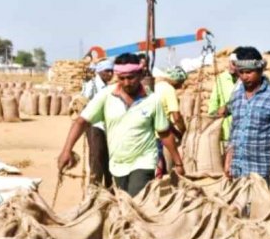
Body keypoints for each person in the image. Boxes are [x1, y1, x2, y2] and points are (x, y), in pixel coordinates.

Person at [57, 53, 184, 197]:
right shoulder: (106, 96)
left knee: (134, 200)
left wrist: (178, 162)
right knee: (124, 204)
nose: (126, 83)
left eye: (131, 78)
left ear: (140, 74)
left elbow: (164, 133)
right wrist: (66, 150)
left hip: (144, 161)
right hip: (118, 164)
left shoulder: (152, 100)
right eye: (122, 78)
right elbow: (81, 121)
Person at [223, 46, 270, 185]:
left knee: (257, 206)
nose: (245, 77)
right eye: (241, 72)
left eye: (249, 72)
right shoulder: (236, 96)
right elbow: (234, 130)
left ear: (260, 70)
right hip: (236, 170)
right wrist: (228, 159)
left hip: (258, 172)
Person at [80, 58, 115, 187]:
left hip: (107, 126)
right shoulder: (91, 85)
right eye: (107, 71)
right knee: (97, 156)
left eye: (112, 71)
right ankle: (95, 188)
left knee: (108, 157)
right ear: (100, 71)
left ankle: (110, 187)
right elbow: (82, 104)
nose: (110, 74)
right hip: (95, 126)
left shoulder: (109, 87)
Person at [153, 66, 188, 176]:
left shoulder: (156, 86)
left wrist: (176, 133)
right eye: (180, 82)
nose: (181, 86)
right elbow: (176, 117)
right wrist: (184, 131)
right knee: (161, 167)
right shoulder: (169, 90)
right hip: (160, 134)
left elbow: (165, 117)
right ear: (176, 80)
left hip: (150, 133)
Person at [208, 48, 242, 145]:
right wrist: (212, 121)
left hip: (239, 134)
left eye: (235, 64)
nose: (232, 66)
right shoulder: (221, 79)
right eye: (231, 63)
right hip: (224, 131)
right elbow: (213, 102)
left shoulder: (244, 81)